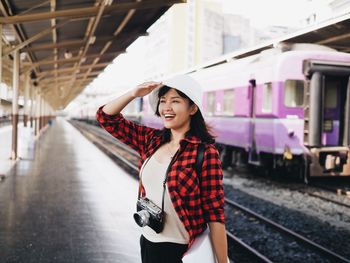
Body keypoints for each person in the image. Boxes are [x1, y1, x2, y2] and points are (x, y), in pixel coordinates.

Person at [96, 74, 228, 263]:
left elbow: (215, 215)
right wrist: (133, 93)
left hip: (180, 251)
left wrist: (222, 262)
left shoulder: (205, 153)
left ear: (193, 108)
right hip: (148, 241)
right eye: (163, 101)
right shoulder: (152, 140)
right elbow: (106, 118)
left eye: (175, 101)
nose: (166, 107)